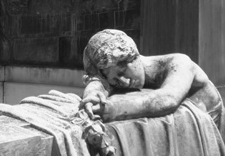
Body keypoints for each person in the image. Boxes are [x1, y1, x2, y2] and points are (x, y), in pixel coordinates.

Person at [80, 29, 224, 133]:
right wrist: (92, 94)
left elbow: (167, 99)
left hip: (214, 131)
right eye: (116, 81)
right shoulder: (123, 77)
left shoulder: (179, 63)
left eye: (122, 73)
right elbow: (98, 82)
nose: (124, 82)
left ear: (132, 57)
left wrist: (111, 109)